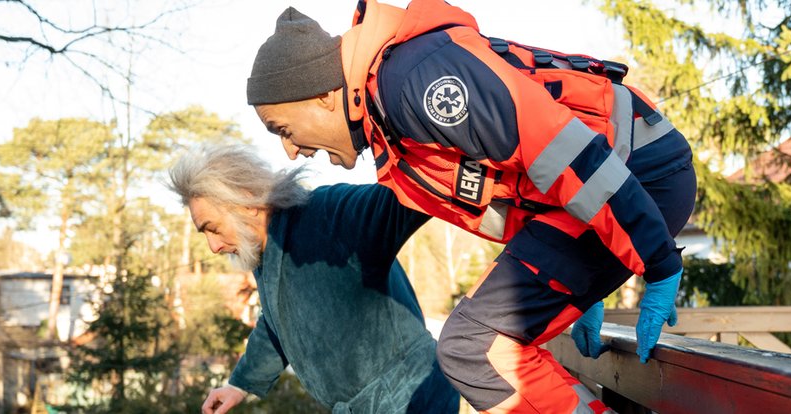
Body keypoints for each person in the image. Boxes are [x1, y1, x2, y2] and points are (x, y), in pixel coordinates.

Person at [246, 1, 697, 413]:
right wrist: (579, 287)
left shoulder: (412, 83)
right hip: (601, 197)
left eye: (282, 128)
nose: (289, 151)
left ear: (322, 95)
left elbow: (561, 150)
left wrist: (657, 262)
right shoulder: (391, 133)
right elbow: (519, 196)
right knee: (475, 345)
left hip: (640, 174)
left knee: (475, 347)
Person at [168, 144, 460, 414]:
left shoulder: (326, 215)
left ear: (247, 201)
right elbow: (275, 325)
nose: (213, 247)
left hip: (416, 398)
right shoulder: (265, 256)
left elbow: (400, 200)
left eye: (213, 228)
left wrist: (447, 153)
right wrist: (239, 385)